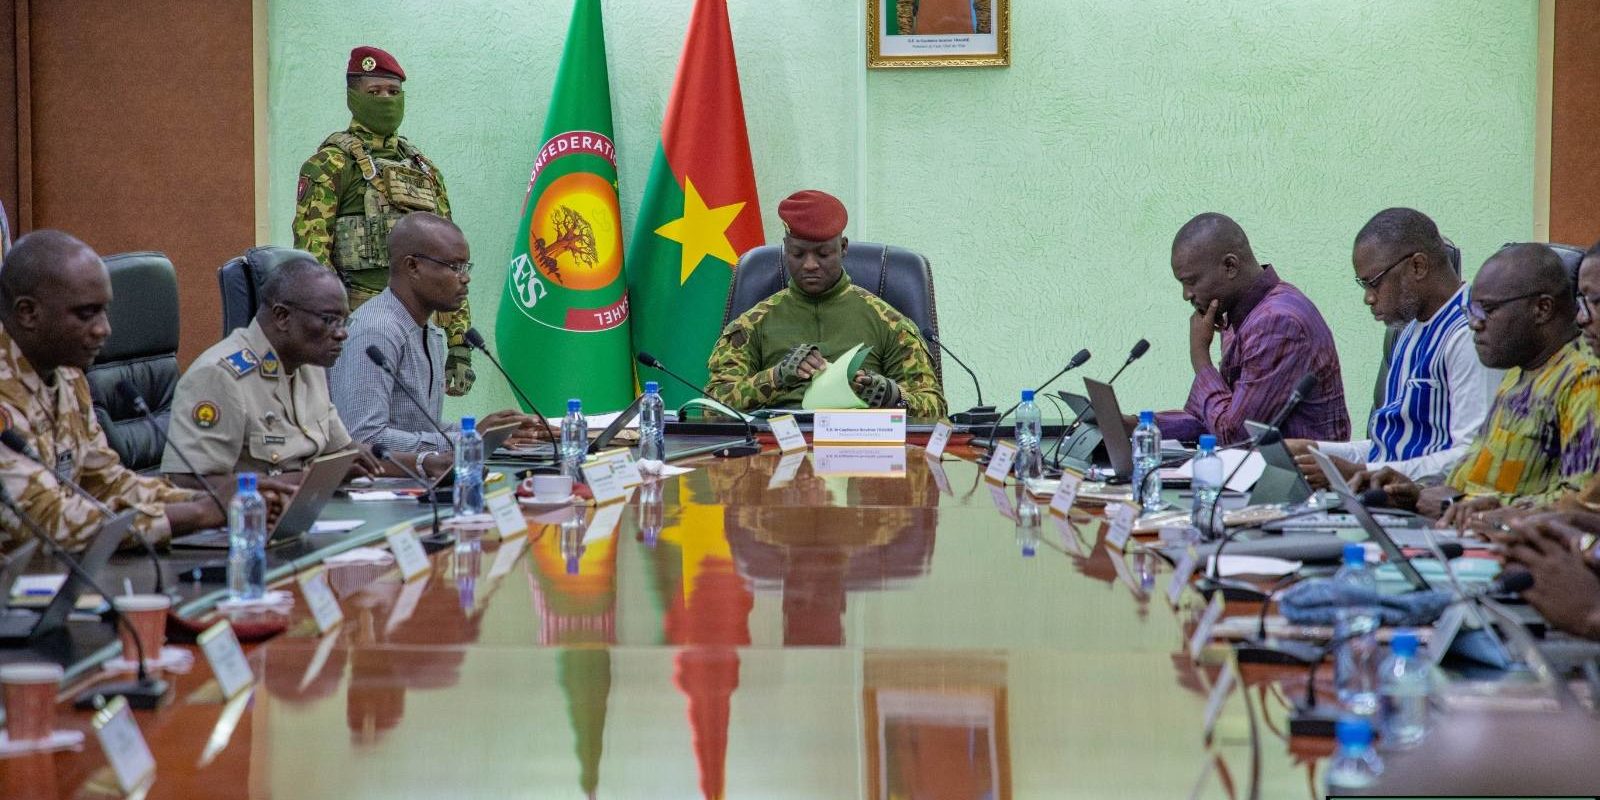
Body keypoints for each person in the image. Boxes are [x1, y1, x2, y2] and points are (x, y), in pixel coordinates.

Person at [0, 231, 225, 551]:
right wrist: (198, 515)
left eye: (104, 311)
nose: (104, 329)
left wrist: (212, 501)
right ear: (27, 313)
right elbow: (45, 522)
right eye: (86, 314)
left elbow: (105, 483)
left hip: (60, 573)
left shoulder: (67, 375)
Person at [1357, 243, 1600, 526]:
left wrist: (1461, 505)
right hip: (1462, 529)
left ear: (1542, 309)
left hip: (1509, 542)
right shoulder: (1519, 372)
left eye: (1487, 310)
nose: (1474, 323)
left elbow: (1581, 506)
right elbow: (1475, 480)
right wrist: (1416, 493)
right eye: (1471, 309)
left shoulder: (1583, 379)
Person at [163, 256, 444, 485]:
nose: (342, 334)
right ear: (282, 316)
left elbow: (347, 452)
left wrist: (427, 463)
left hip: (306, 515)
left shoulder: (308, 365)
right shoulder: (220, 376)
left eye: (343, 321)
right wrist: (308, 480)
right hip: (247, 527)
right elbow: (188, 481)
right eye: (329, 320)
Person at [292, 45, 474, 397]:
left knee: (417, 421)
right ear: (353, 97)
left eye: (393, 91)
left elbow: (451, 261)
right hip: (358, 329)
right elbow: (312, 260)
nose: (386, 100)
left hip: (420, 328)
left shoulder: (424, 170)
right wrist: (329, 333)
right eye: (374, 92)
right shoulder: (330, 165)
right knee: (362, 420)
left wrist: (459, 343)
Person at [1288, 209, 1499, 485]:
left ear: (1418, 266)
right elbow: (1392, 448)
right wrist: (1317, 450)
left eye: (1374, 283)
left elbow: (1471, 457)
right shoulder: (1409, 329)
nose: (1368, 298)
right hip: (1385, 496)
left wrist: (1363, 473)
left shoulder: (1470, 334)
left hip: (1428, 504)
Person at [705, 190, 947, 419]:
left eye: (823, 254)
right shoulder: (752, 325)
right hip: (776, 442)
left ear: (843, 248)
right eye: (798, 254)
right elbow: (711, 408)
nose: (810, 265)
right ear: (786, 249)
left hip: (861, 443)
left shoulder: (890, 323)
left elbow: (935, 408)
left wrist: (894, 397)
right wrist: (776, 377)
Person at [329, 213, 544, 452]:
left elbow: (421, 429)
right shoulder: (377, 331)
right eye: (455, 267)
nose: (465, 278)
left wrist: (493, 433)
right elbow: (363, 438)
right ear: (413, 266)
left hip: (414, 473)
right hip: (375, 477)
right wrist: (468, 439)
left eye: (466, 267)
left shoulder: (429, 330)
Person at [1154, 213, 1350, 444]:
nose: (1186, 295)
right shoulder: (1242, 315)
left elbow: (1235, 436)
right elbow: (1211, 419)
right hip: (1260, 465)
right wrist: (1138, 425)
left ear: (1230, 266)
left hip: (1298, 467)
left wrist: (1200, 357)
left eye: (1191, 282)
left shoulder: (1277, 324)